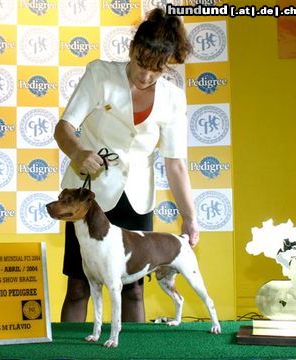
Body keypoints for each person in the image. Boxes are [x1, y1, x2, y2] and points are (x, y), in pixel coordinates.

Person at [54, 8, 199, 323]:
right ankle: (67, 355)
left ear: (168, 65)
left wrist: (189, 218)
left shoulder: (174, 98)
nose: (146, 75)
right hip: (89, 195)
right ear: (132, 49)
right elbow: (64, 127)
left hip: (137, 197)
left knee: (133, 290)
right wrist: (79, 153)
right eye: (140, 64)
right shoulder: (100, 74)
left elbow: (175, 164)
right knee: (79, 285)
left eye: (157, 69)